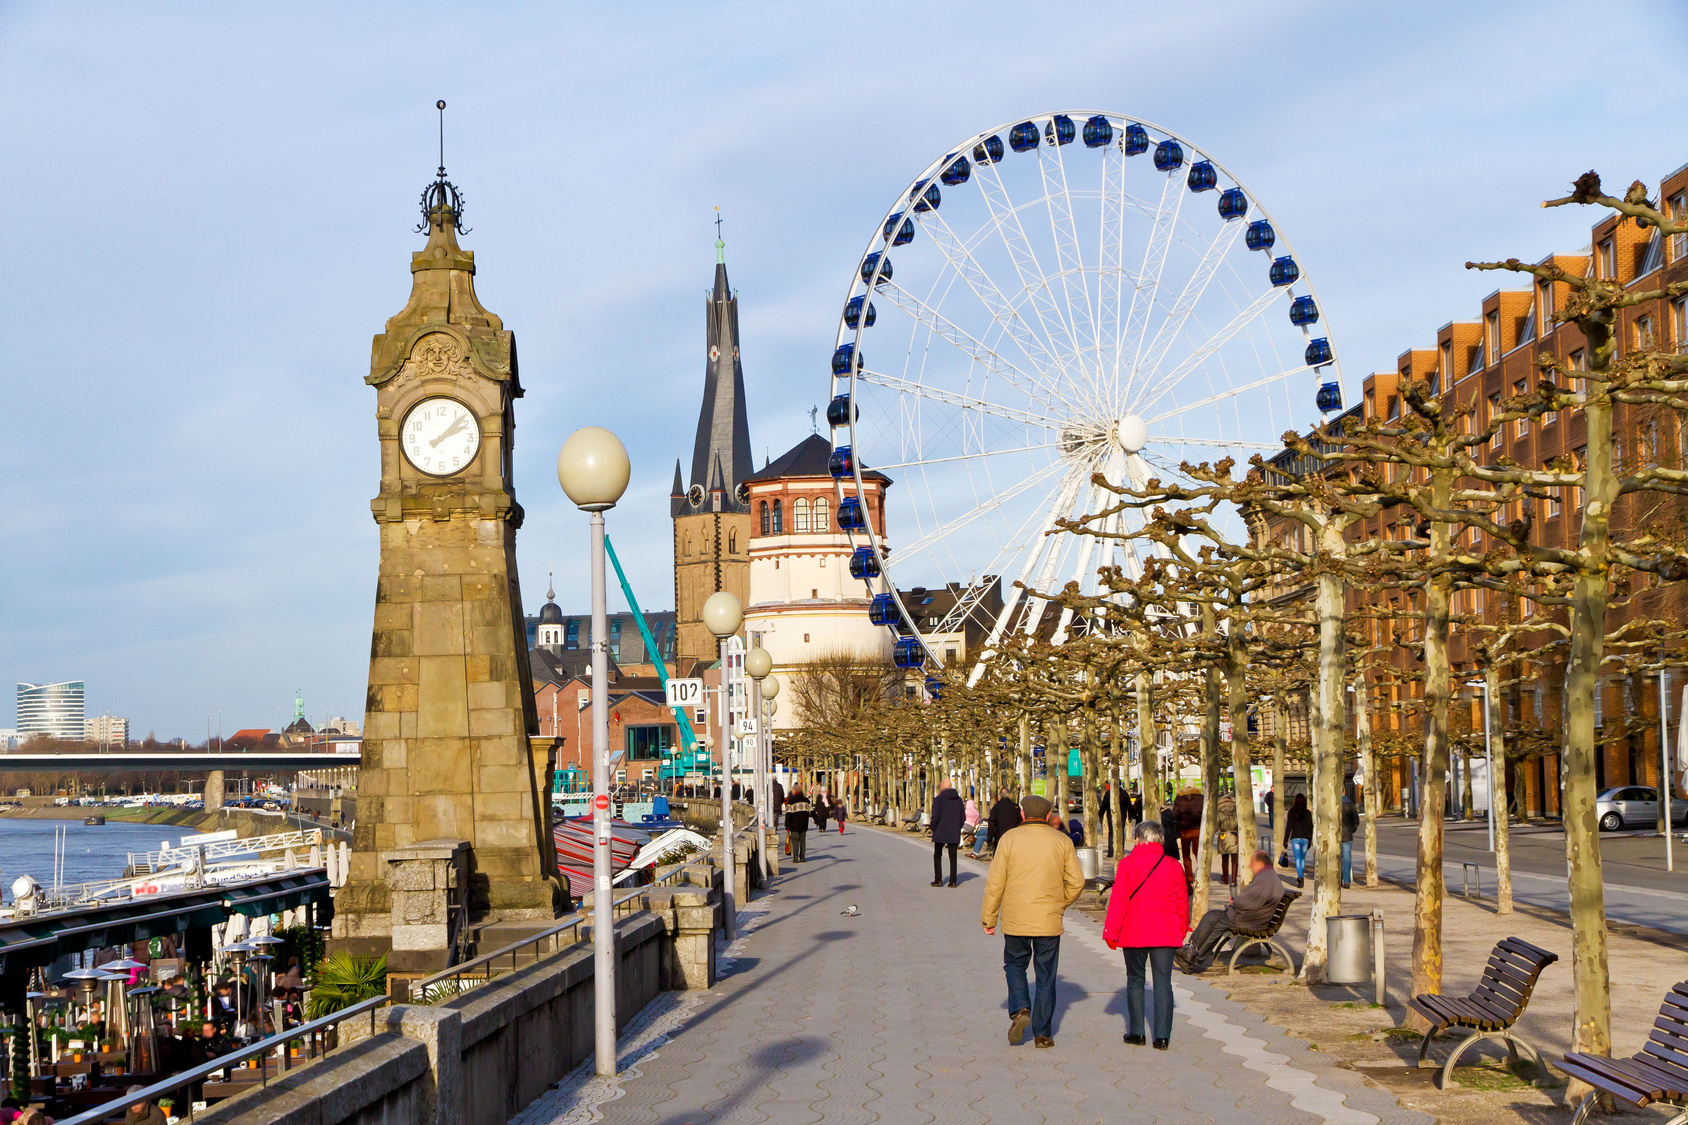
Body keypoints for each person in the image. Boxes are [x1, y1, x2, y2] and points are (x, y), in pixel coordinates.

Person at [980, 794, 1085, 1049]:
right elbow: (1077, 881)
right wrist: (1061, 903)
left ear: (1023, 815)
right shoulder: (1061, 841)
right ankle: (1043, 1034)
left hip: (1016, 917)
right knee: (1046, 976)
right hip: (1048, 919)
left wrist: (989, 918)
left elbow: (995, 883)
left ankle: (1019, 1008)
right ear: (1048, 816)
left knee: (1015, 964)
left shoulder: (1009, 839)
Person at [1103, 819, 1190, 1049]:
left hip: (1135, 931)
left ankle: (1137, 1032)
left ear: (1140, 839)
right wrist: (1181, 930)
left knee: (1135, 980)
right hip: (1165, 932)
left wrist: (1111, 932)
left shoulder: (1128, 864)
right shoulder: (1173, 865)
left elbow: (1119, 901)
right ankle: (1162, 1037)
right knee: (1163, 983)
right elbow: (1182, 903)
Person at [1177, 850, 1285, 974]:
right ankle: (1190, 949)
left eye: (1253, 863)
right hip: (1247, 916)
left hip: (1248, 920)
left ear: (1261, 863)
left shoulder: (1265, 879)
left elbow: (1252, 902)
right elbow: (1253, 900)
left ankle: (1194, 959)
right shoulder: (1266, 876)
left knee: (1218, 925)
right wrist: (1237, 902)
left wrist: (1235, 902)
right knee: (1211, 916)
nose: (1250, 866)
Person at [930, 779, 966, 887]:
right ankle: (953, 881)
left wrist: (933, 828)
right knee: (953, 856)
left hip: (940, 831)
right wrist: (957, 827)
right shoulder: (958, 800)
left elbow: (935, 816)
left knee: (937, 855)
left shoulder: (938, 799)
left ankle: (938, 880)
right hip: (953, 831)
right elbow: (962, 817)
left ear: (942, 787)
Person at [1172, 788, 1204, 882]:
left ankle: (1189, 876)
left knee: (1186, 854)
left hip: (1184, 830)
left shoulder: (1179, 798)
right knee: (1198, 853)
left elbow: (1175, 814)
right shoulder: (1201, 798)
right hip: (1198, 829)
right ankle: (1200, 873)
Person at [1285, 794, 1313, 887]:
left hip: (1295, 838)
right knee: (1302, 859)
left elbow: (1289, 827)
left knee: (1297, 859)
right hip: (1305, 838)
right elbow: (1310, 827)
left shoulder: (1292, 812)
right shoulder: (1308, 813)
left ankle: (1300, 877)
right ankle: (1301, 876)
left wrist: (1285, 841)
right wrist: (1310, 840)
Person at [985, 787, 1021, 854]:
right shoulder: (1015, 807)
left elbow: (992, 823)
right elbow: (1020, 821)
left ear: (1000, 796)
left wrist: (989, 837)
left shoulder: (996, 807)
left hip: (1000, 836)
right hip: (1013, 837)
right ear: (1009, 795)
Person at [1215, 792, 1239, 886]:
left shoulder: (1219, 809)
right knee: (1235, 859)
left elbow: (1216, 825)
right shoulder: (1236, 808)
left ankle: (1225, 879)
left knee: (1224, 859)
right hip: (1235, 835)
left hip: (1223, 835)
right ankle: (1233, 880)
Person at [784, 785, 812, 862]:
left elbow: (788, 815)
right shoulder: (806, 801)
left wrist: (787, 825)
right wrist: (818, 821)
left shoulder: (791, 802)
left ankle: (795, 856)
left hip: (794, 826)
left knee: (795, 840)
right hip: (804, 825)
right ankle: (802, 857)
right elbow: (812, 811)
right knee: (803, 841)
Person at [1340, 791, 1359, 888]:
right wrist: (1352, 830)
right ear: (1344, 791)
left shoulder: (1334, 804)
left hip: (1336, 835)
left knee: (1336, 858)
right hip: (1347, 835)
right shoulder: (1350, 804)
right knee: (1347, 858)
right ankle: (1346, 881)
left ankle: (1338, 878)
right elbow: (1356, 820)